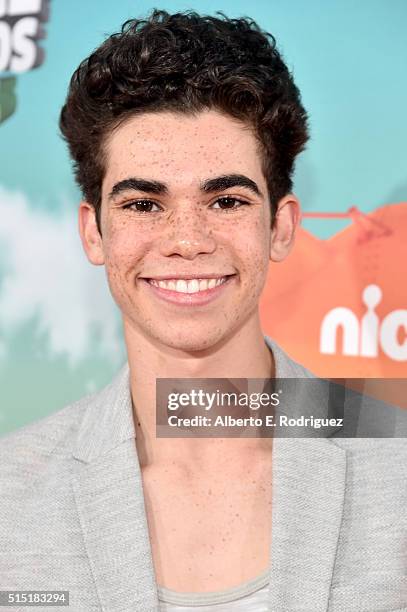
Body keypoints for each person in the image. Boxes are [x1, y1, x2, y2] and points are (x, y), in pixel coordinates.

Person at [0, 9, 406, 612]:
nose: (187, 239)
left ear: (282, 226)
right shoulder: (10, 493)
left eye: (226, 200)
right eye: (143, 204)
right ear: (94, 233)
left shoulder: (395, 463)